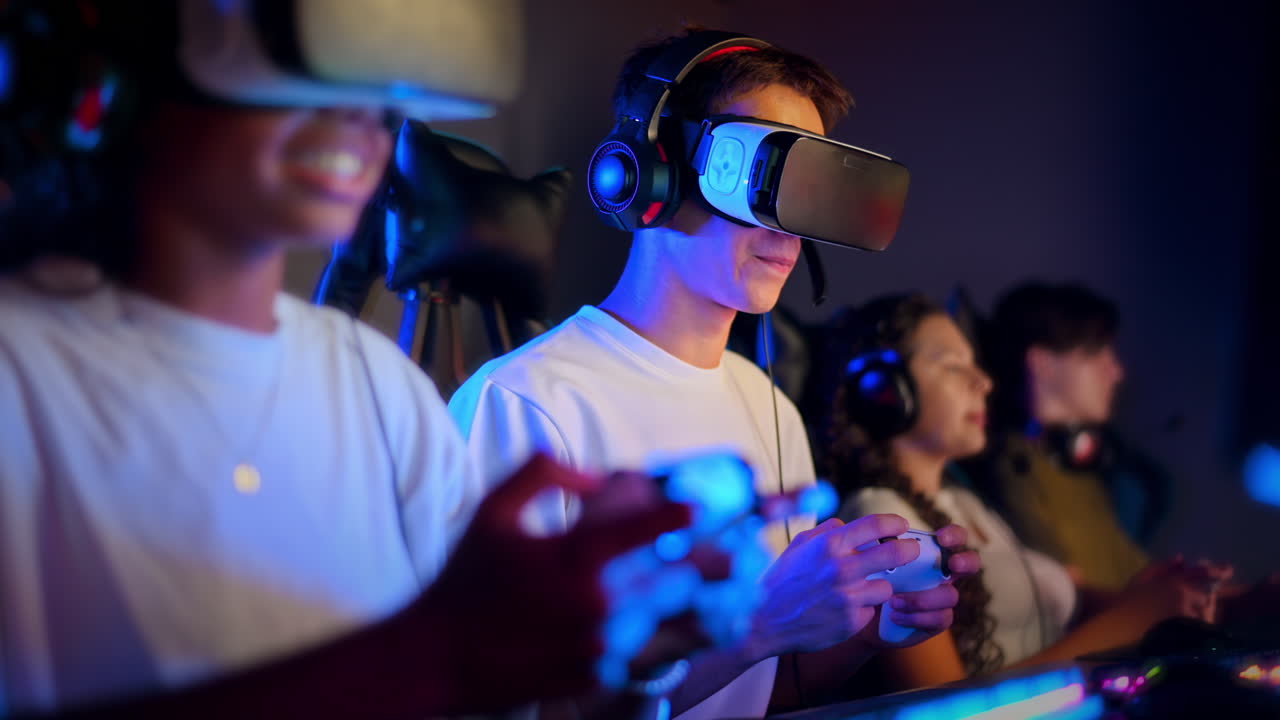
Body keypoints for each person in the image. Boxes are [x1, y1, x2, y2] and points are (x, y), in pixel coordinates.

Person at [0, 2, 719, 716]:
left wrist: (619, 637)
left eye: (368, 71)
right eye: (296, 58)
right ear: (115, 73)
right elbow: (444, 659)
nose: (361, 114)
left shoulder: (374, 384)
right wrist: (440, 654)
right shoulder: (20, 380)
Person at [449, 28, 980, 719]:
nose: (789, 228)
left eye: (810, 190)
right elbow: (508, 705)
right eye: (761, 175)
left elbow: (762, 691)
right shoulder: (525, 405)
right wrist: (756, 623)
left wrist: (868, 631)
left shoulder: (768, 405)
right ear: (652, 174)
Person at [822, 293, 1228, 693]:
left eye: (975, 365)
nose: (983, 381)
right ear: (884, 391)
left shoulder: (965, 503)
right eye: (952, 366)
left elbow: (1072, 605)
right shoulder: (881, 520)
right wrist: (1134, 618)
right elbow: (941, 704)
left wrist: (1157, 596)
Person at [979, 282, 1162, 590]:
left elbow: (1136, 573)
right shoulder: (1014, 464)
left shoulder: (1078, 462)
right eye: (1096, 355)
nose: (1116, 372)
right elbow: (1074, 596)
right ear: (1043, 363)